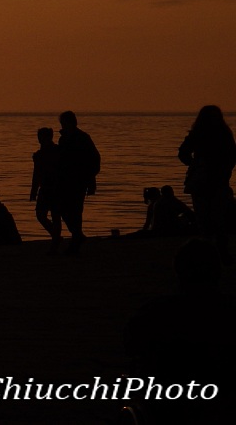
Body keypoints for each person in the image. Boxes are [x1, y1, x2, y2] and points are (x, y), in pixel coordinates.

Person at [122, 239, 236, 424]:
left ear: (178, 272)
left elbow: (131, 347)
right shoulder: (230, 310)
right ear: (218, 272)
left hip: (168, 403)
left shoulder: (155, 311)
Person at [178, 105, 236, 261]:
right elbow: (183, 152)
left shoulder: (223, 135)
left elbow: (232, 156)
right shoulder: (203, 134)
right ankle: (209, 252)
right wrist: (195, 165)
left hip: (216, 181)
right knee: (205, 219)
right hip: (204, 180)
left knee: (217, 218)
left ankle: (219, 251)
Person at [52, 111, 100, 255]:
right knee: (63, 209)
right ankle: (77, 235)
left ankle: (76, 239)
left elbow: (94, 159)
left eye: (64, 123)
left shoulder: (82, 138)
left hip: (77, 180)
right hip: (65, 180)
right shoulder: (64, 139)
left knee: (74, 210)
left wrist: (89, 178)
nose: (63, 126)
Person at [29, 127, 61, 241]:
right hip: (45, 188)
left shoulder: (57, 151)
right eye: (39, 137)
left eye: (42, 137)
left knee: (55, 215)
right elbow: (36, 174)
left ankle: (56, 237)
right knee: (41, 215)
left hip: (55, 188)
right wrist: (33, 191)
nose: (40, 139)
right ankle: (55, 235)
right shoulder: (39, 154)